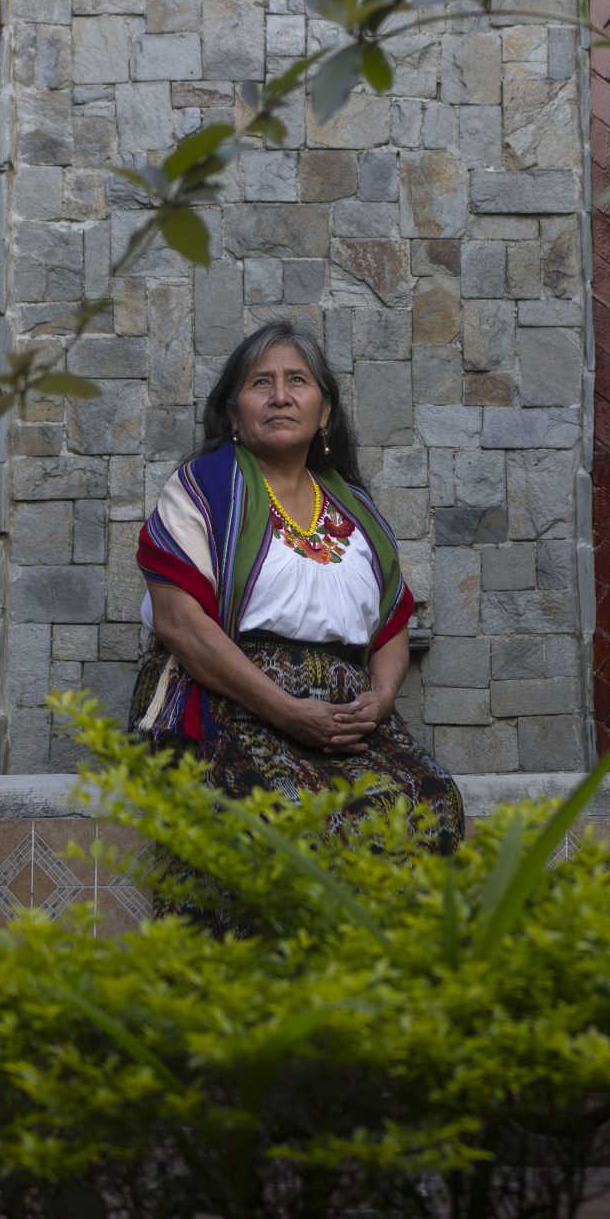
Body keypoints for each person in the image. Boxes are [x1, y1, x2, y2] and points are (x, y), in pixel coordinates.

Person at [128, 319, 464, 851]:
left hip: (345, 715)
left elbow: (391, 623)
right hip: (230, 703)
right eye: (261, 383)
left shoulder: (355, 509)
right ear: (234, 411)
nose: (280, 397)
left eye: (297, 382)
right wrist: (286, 710)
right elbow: (178, 621)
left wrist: (379, 698)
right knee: (289, 813)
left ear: (325, 412)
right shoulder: (201, 489)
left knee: (431, 798)